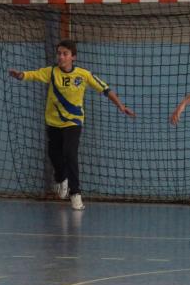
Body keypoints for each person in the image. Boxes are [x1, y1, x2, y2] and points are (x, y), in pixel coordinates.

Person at [9, 39, 135, 210]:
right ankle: (62, 179)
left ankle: (75, 194)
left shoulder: (83, 75)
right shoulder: (51, 72)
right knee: (54, 155)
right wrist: (20, 75)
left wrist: (120, 105)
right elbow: (33, 74)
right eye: (59, 53)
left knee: (70, 154)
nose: (61, 57)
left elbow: (105, 89)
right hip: (53, 122)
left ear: (73, 57)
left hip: (73, 122)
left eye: (65, 54)